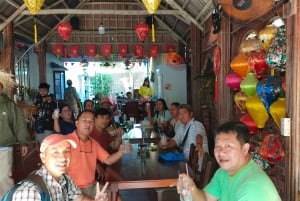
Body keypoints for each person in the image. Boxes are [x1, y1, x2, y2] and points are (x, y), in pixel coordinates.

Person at [177, 121, 282, 201]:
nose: (221, 152)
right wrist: (191, 188)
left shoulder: (252, 187)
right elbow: (205, 198)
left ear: (245, 149)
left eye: (228, 146)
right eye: (218, 146)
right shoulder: (223, 173)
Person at [10, 134, 108, 201]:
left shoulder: (65, 179)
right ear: (43, 157)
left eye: (66, 151)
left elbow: (80, 198)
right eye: (55, 152)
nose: (63, 157)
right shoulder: (30, 192)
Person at [66, 110, 127, 199]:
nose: (88, 124)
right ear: (77, 123)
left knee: (117, 198)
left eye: (91, 121)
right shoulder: (67, 141)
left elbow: (108, 160)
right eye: (85, 120)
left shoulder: (93, 143)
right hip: (73, 189)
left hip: (92, 186)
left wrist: (122, 151)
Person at [0, 74, 31, 199]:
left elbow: (19, 124)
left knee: (3, 178)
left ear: (1, 88)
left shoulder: (10, 105)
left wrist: (24, 142)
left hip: (4, 148)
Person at [159, 104, 208, 171]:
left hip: (197, 167)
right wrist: (165, 146)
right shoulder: (182, 126)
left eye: (184, 113)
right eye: (180, 114)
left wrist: (199, 145)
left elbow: (199, 134)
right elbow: (175, 140)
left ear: (191, 114)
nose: (182, 116)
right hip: (186, 162)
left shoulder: (197, 124)